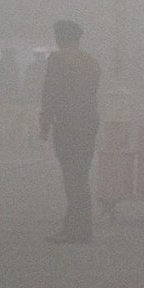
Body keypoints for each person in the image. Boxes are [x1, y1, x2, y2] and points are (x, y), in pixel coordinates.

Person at [37, 20, 102, 245]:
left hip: (67, 124)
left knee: (71, 177)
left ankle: (76, 229)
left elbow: (50, 93)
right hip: (89, 123)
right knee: (80, 175)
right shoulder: (92, 62)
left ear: (60, 38)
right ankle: (78, 226)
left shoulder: (57, 60)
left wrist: (45, 123)